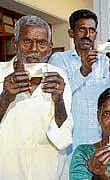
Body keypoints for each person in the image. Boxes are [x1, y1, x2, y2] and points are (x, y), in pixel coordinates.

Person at [0, 15, 72, 180]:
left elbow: (64, 129)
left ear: (49, 48)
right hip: (7, 170)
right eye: (27, 41)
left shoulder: (59, 75)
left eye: (41, 43)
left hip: (49, 170)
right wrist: (6, 97)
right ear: (15, 44)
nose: (34, 49)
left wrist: (58, 100)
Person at [49, 9, 110, 151]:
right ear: (71, 33)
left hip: (100, 137)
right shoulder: (59, 59)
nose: (87, 35)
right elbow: (57, 94)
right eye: (82, 30)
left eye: (92, 30)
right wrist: (84, 70)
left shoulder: (105, 61)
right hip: (70, 140)